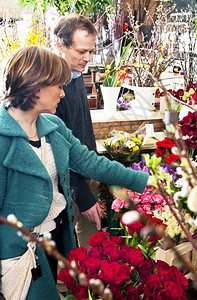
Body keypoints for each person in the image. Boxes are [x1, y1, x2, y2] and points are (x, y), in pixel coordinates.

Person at [0, 45, 152, 299]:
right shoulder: (3, 138)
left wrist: (146, 182)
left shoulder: (53, 126)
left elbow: (91, 163)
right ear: (36, 87)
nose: (63, 93)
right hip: (20, 252)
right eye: (59, 86)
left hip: (57, 235)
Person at [53, 14, 101, 249]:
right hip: (66, 183)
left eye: (91, 51)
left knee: (91, 244)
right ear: (59, 45)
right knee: (66, 250)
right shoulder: (52, 87)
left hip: (85, 174)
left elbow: (81, 131)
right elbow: (58, 148)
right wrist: (81, 193)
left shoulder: (76, 74)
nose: (88, 58)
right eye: (81, 51)